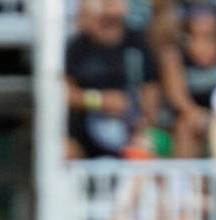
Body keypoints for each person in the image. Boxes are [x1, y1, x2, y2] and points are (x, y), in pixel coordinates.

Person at [64, 0, 161, 159]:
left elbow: (151, 86)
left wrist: (146, 119)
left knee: (151, 145)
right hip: (84, 132)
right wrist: (99, 100)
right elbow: (65, 91)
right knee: (65, 150)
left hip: (131, 128)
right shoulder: (78, 47)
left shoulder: (137, 42)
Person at [159, 2, 216, 158]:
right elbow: (178, 98)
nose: (204, 18)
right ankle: (188, 180)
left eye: (209, 38)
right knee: (186, 127)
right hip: (188, 116)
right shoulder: (174, 55)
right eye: (198, 13)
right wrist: (197, 116)